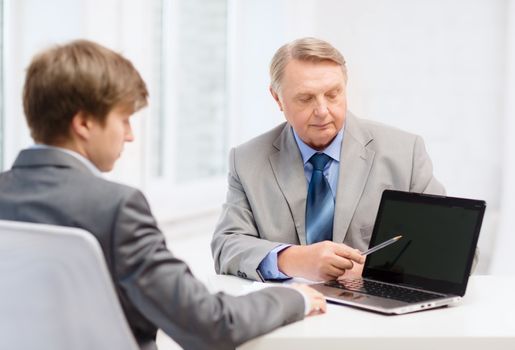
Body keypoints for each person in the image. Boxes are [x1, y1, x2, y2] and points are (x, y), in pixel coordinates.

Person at [0, 39, 327, 350]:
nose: (129, 135)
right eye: (124, 119)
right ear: (84, 123)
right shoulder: (116, 209)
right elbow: (211, 326)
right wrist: (294, 298)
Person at [211, 37, 445, 283]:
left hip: (378, 312)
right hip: (292, 312)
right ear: (277, 99)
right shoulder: (247, 161)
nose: (322, 111)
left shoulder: (404, 153)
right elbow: (226, 245)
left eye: (333, 94)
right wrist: (294, 259)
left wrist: (377, 271)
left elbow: (453, 247)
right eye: (305, 98)